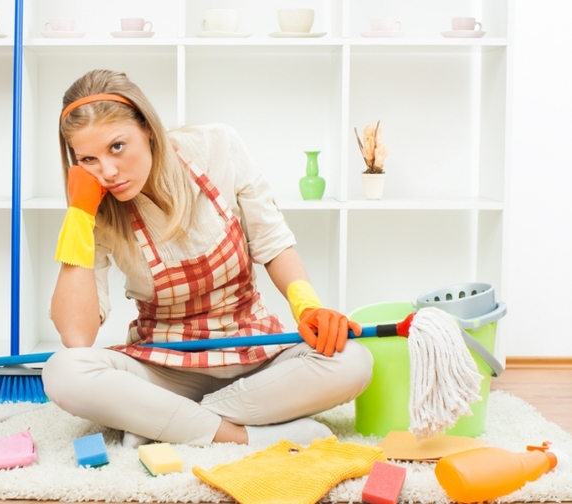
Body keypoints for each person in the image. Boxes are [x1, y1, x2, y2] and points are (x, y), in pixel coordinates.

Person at [42, 69, 373, 448]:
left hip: (254, 353)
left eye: (117, 146)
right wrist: (79, 215)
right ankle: (240, 435)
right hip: (164, 365)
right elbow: (77, 336)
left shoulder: (217, 147)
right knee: (63, 372)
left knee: (353, 361)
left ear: (147, 128)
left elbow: (274, 245)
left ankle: (164, 422)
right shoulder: (95, 206)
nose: (108, 172)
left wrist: (308, 307)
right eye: (88, 159)